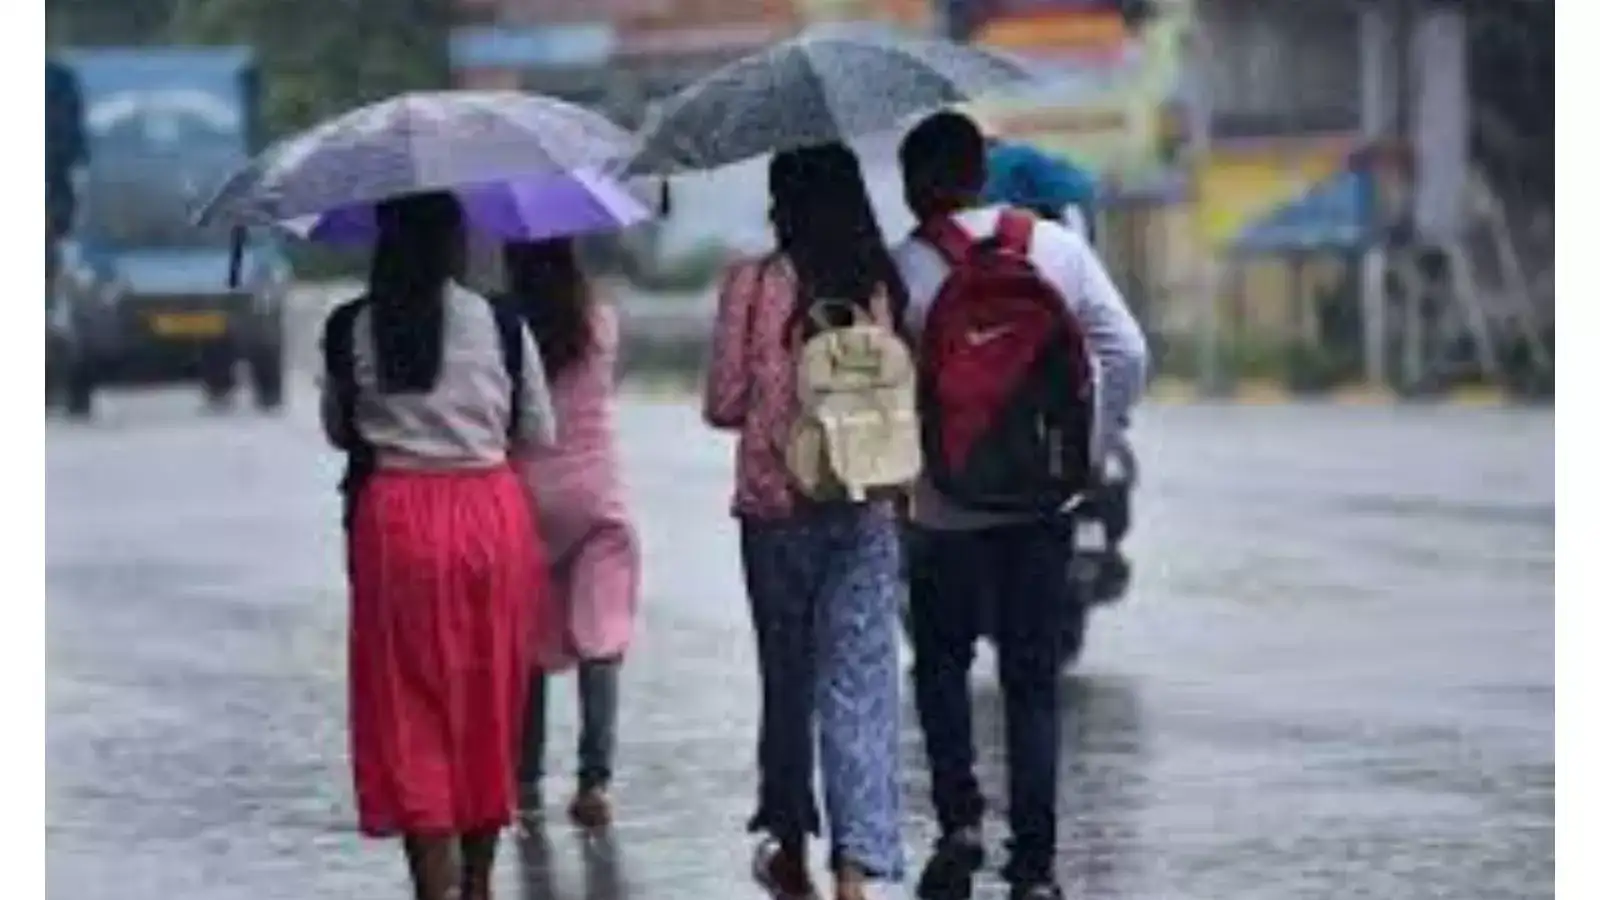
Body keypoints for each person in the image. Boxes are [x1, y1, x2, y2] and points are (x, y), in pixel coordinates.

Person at [892, 111, 1149, 900]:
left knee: (941, 666)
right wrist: (1085, 450)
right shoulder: (1057, 248)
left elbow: (882, 387)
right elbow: (1128, 353)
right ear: (980, 173)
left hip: (941, 507)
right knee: (1031, 682)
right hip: (1042, 499)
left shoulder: (901, 266)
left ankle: (961, 821)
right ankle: (1034, 867)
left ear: (916, 185)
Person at [318, 192, 558, 900]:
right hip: (489, 513)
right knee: (486, 697)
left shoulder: (352, 327)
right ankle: (480, 884)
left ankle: (434, 885)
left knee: (409, 703)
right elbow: (538, 428)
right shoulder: (503, 325)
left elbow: (341, 429)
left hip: (395, 524)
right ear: (457, 244)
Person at [704, 144, 909, 900]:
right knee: (859, 684)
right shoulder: (877, 285)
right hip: (865, 505)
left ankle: (789, 841)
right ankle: (855, 869)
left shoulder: (754, 284)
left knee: (787, 679)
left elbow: (723, 402)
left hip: (774, 508)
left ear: (779, 201)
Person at [500, 238, 641, 831]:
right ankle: (595, 780)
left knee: (529, 637)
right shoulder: (600, 321)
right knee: (601, 636)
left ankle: (525, 777)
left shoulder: (507, 329)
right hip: (596, 497)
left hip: (526, 493)